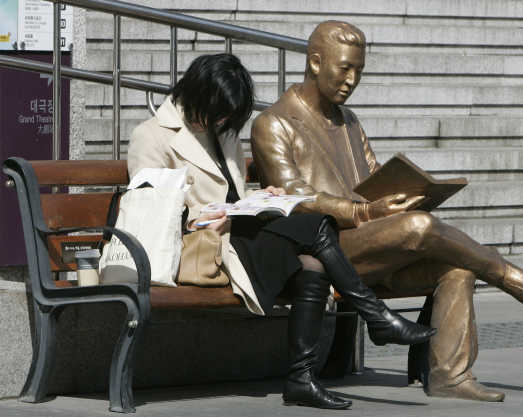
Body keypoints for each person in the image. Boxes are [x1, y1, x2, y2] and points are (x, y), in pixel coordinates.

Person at [251, 21, 523, 402]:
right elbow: (294, 199)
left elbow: (374, 178)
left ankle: (450, 377)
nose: (352, 79)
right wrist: (366, 212)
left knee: (456, 267)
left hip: (372, 246)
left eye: (359, 69)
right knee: (419, 227)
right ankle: (501, 270)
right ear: (314, 62)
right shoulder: (273, 123)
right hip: (323, 248)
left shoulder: (350, 121)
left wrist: (410, 193)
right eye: (344, 67)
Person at [127, 53, 435, 410]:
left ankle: (301, 379)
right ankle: (376, 317)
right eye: (219, 113)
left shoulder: (221, 129)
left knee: (313, 265)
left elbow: (233, 194)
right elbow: (152, 209)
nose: (224, 122)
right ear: (196, 94)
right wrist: (214, 214)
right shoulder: (151, 136)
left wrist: (260, 198)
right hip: (199, 246)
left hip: (236, 236)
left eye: (230, 116)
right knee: (314, 224)